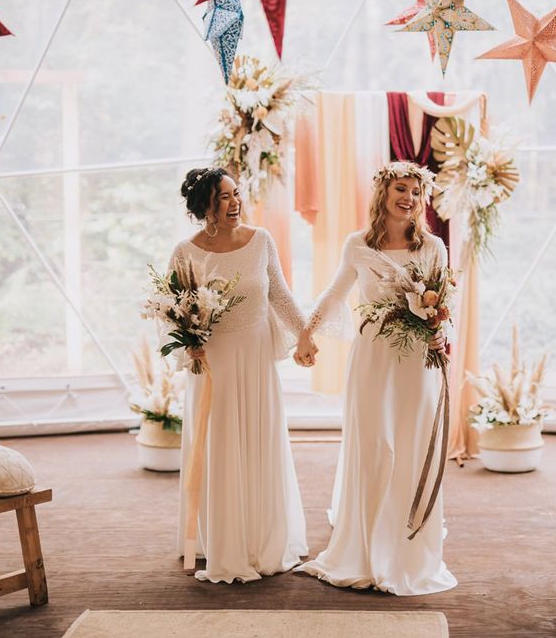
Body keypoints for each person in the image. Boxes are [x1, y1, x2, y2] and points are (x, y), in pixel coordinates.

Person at [294, 161, 457, 596]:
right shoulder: (357, 245)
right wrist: (306, 332)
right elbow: (334, 294)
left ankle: (406, 552)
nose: (409, 198)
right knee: (375, 447)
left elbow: (443, 305)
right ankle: (364, 550)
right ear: (383, 194)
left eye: (416, 192)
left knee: (410, 447)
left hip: (416, 363)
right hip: (372, 360)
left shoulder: (433, 248)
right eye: (401, 188)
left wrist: (441, 335)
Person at [170, 167, 311, 583]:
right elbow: (173, 308)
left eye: (237, 194)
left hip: (255, 359)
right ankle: (222, 541)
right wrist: (187, 341)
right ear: (205, 207)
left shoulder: (260, 240)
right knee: (218, 446)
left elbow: (280, 294)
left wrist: (304, 334)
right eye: (225, 198)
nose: (235, 203)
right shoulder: (185, 251)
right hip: (212, 364)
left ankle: (263, 539)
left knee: (259, 440)